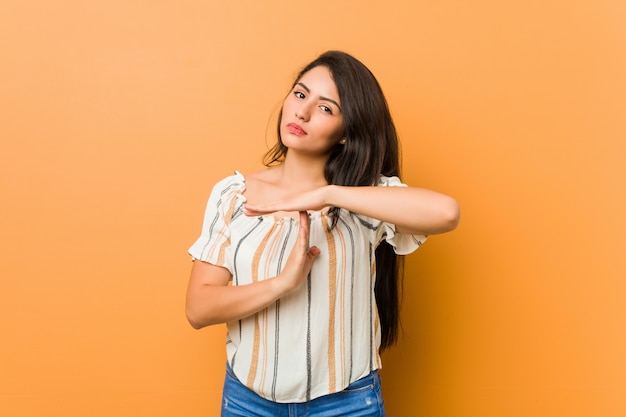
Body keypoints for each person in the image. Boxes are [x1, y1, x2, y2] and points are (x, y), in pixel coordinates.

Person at [185, 50, 460, 416]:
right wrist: (282, 284)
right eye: (300, 94)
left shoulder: (366, 200)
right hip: (248, 402)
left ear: (347, 132)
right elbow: (198, 308)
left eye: (326, 108)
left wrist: (328, 193)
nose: (302, 112)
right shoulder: (233, 194)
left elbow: (446, 213)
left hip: (346, 404)